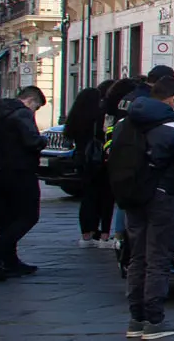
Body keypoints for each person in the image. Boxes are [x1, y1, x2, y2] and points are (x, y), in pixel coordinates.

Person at [114, 77, 174, 340]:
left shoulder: (124, 122)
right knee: (158, 259)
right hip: (165, 198)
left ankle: (136, 319)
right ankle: (155, 321)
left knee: (137, 256)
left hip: (132, 195)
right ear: (173, 99)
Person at [0, 86, 46, 282]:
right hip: (21, 171)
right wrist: (43, 140)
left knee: (9, 217)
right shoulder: (21, 113)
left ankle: (9, 261)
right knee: (29, 215)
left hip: (0, 172)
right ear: (31, 101)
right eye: (36, 108)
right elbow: (32, 141)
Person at [63, 85, 114, 249]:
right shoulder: (100, 115)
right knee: (106, 197)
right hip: (100, 161)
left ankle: (86, 234)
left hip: (83, 161)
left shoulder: (75, 117)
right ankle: (104, 236)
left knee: (88, 198)